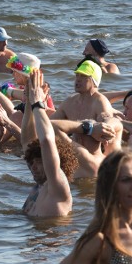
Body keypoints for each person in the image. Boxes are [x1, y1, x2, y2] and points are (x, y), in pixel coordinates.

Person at [21, 69, 77, 217]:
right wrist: (29, 99)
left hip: (54, 238)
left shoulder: (58, 186)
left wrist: (38, 105)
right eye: (32, 162)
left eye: (38, 161)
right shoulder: (38, 188)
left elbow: (46, 141)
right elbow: (27, 140)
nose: (32, 166)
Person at [52, 59, 122, 156]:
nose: (78, 79)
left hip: (95, 156)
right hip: (76, 152)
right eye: (77, 75)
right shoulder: (69, 101)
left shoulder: (100, 101)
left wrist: (105, 120)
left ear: (94, 81)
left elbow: (106, 122)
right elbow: (48, 123)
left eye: (84, 76)